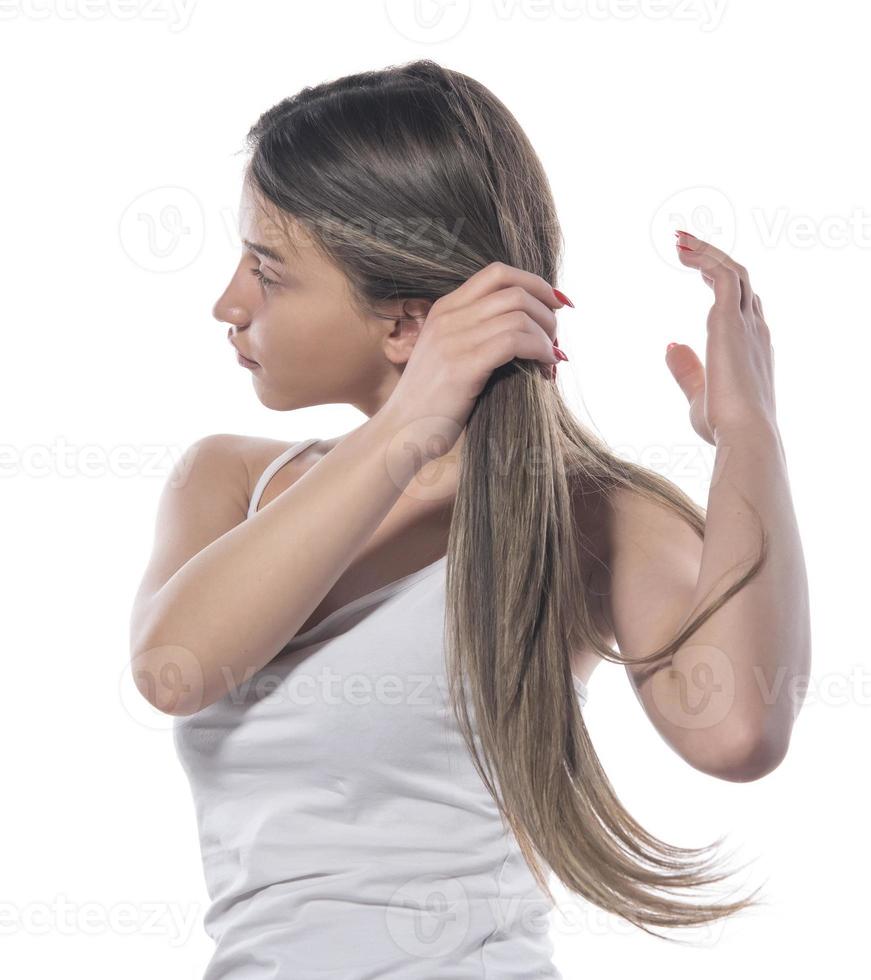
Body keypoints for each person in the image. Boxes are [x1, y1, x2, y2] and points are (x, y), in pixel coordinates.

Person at [128, 59, 810, 979]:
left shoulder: (585, 512)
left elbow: (734, 732)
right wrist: (413, 422)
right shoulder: (229, 480)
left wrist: (747, 435)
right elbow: (176, 667)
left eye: (268, 272)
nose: (229, 304)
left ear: (407, 326)